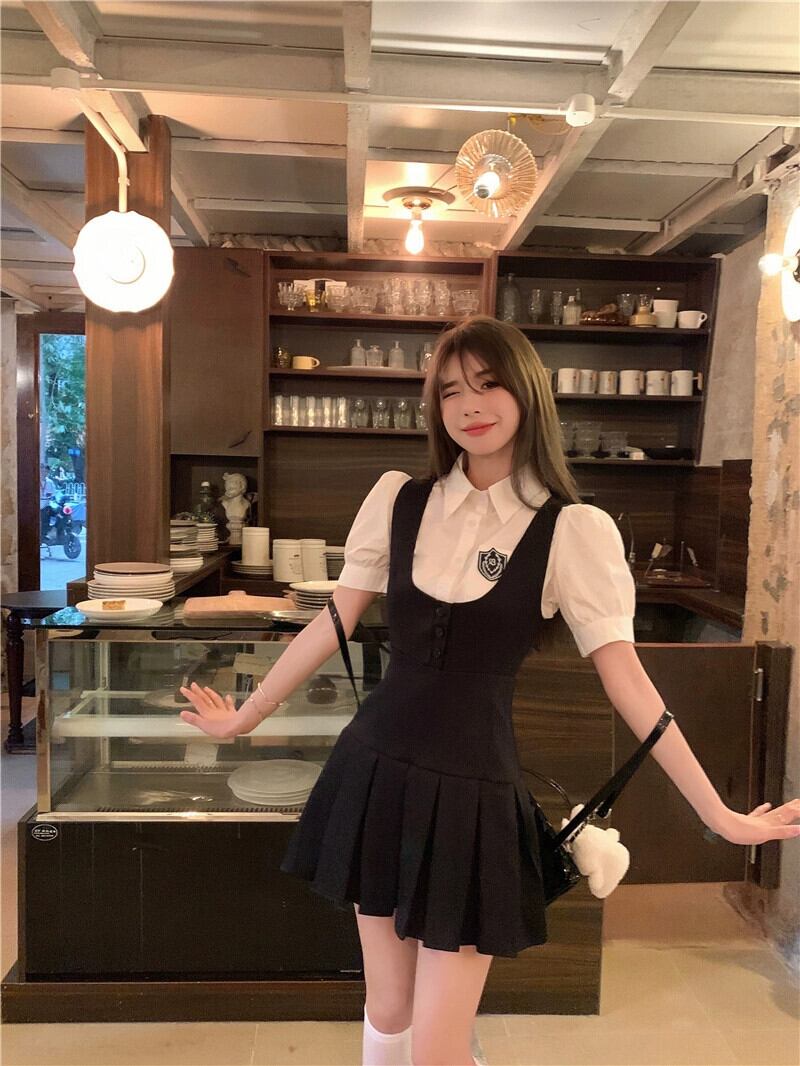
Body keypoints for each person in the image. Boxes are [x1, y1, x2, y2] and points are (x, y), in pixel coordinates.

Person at [179, 316, 800, 1066]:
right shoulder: (399, 499)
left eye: (488, 384)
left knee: (438, 1045)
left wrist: (718, 815)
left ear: (527, 392)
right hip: (374, 771)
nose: (469, 405)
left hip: (474, 795)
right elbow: (333, 620)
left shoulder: (572, 529)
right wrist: (246, 715)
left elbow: (628, 680)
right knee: (387, 1007)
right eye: (450, 392)